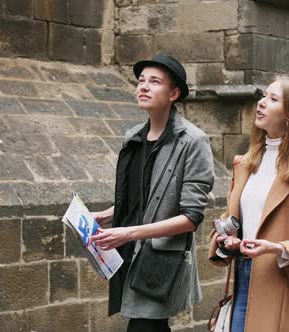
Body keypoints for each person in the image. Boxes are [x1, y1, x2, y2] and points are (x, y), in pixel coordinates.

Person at [90, 54, 214, 332]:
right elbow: (139, 198)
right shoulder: (133, 136)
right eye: (141, 80)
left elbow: (191, 218)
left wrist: (129, 232)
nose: (143, 86)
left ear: (173, 93)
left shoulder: (193, 141)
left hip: (161, 261)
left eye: (154, 81)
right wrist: (107, 215)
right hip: (129, 254)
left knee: (144, 327)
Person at [208, 76, 289, 332]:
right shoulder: (245, 164)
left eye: (273, 99)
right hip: (243, 284)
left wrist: (277, 249)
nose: (261, 102)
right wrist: (227, 242)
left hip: (286, 293)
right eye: (263, 95)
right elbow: (227, 224)